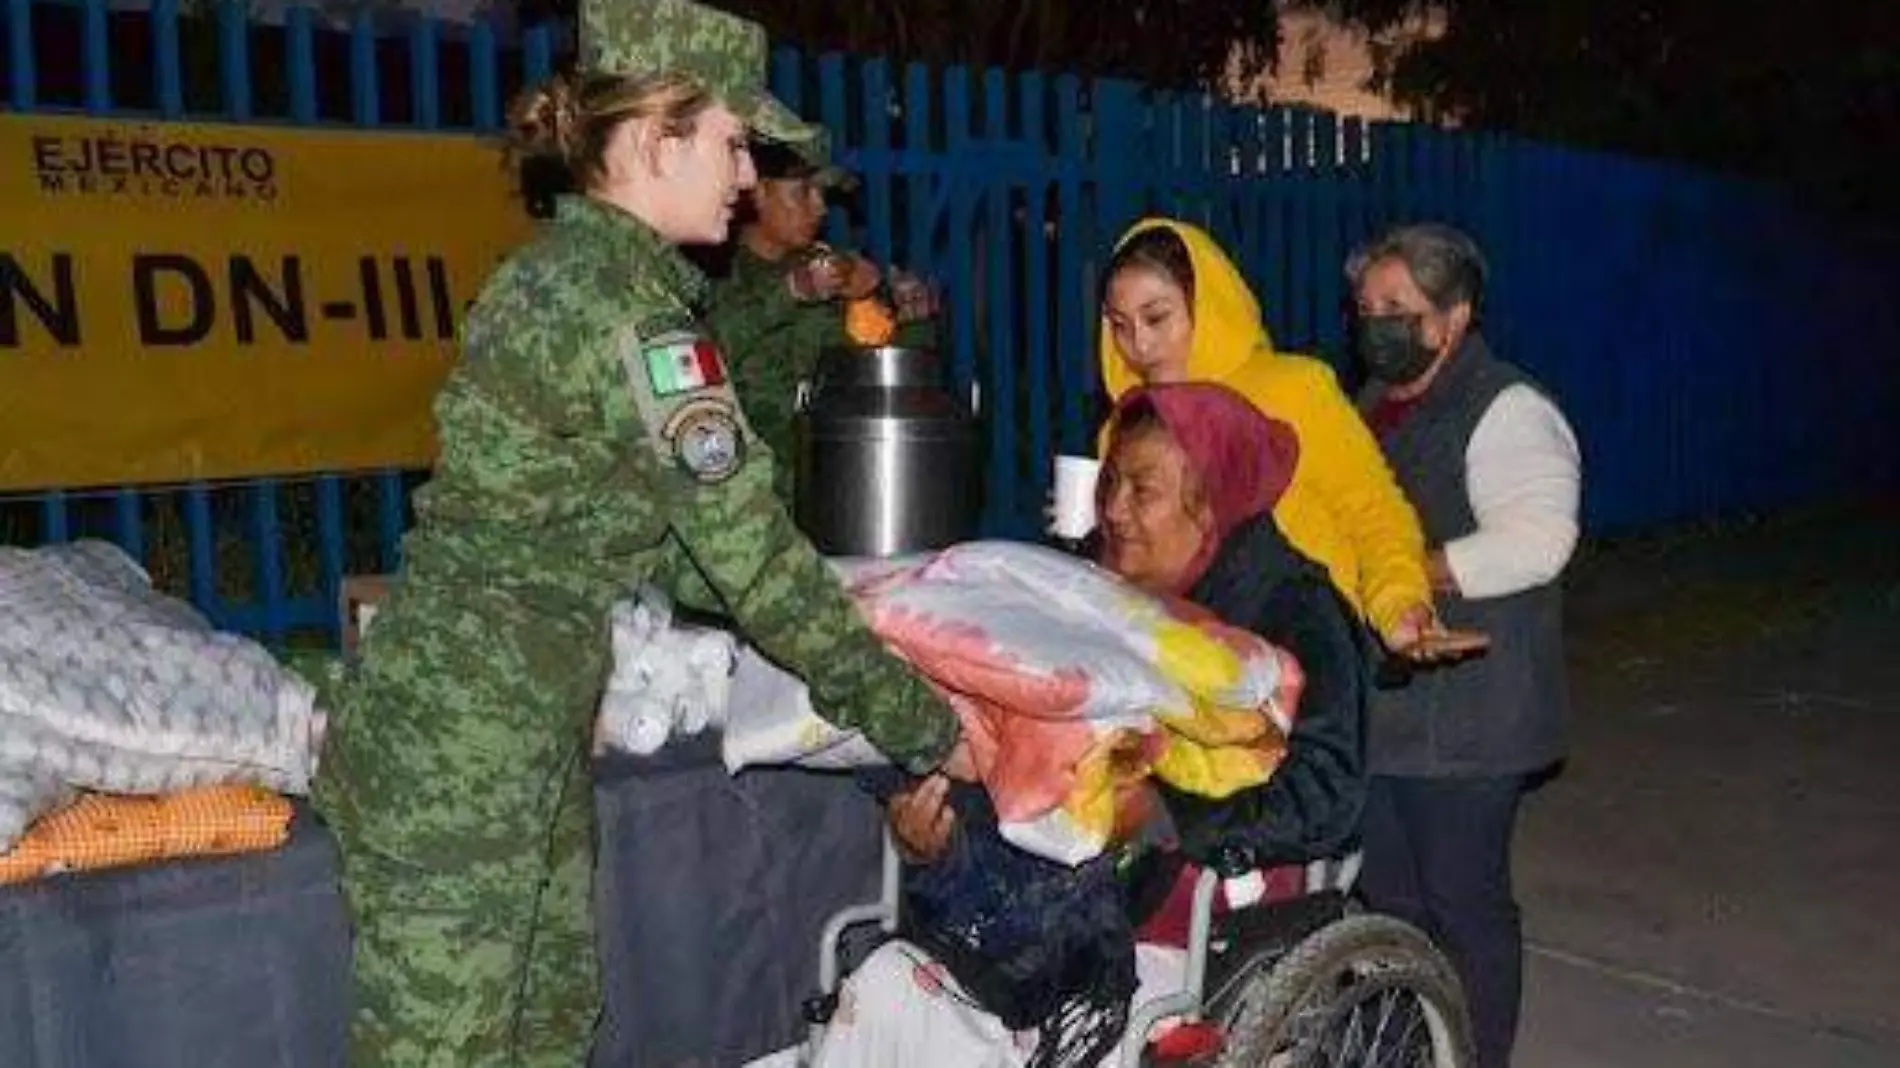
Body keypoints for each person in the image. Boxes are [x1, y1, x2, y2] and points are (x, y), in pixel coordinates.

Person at [309, 1, 966, 1065]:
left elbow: (636, 534)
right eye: (730, 140)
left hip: (507, 721)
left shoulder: (561, 276)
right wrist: (925, 723)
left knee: (549, 1032)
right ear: (659, 137)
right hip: (465, 748)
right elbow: (742, 553)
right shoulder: (634, 318)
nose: (746, 173)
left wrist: (846, 612)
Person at [816, 382, 1369, 1067]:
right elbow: (1023, 779)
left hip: (1195, 931)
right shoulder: (1088, 598)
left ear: (1212, 505)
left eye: (1143, 490)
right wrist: (936, 844)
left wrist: (1165, 812)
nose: (1113, 509)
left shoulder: (1295, 615)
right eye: (1111, 483)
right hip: (1047, 915)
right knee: (885, 988)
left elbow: (1329, 795)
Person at [1347, 222, 1582, 1068]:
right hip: (1392, 706)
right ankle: (1417, 1043)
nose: (1376, 323)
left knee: (1464, 902)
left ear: (1454, 316)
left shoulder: (1509, 407)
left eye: (1398, 308)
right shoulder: (1374, 403)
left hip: (1476, 710)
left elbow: (1538, 539)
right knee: (1391, 899)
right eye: (1367, 307)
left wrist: (1406, 570)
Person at [1095, 217, 1448, 660]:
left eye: (1156, 318)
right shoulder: (1128, 426)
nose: (1139, 346)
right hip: (1190, 660)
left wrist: (1398, 603)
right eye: (1119, 325)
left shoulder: (1294, 389)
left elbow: (1371, 509)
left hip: (1308, 648)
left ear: (1209, 308)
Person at [704, 134, 938, 503]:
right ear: (757, 192)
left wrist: (913, 320)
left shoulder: (834, 272)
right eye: (803, 192)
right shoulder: (710, 271)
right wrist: (790, 293)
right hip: (747, 504)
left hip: (838, 491)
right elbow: (702, 350)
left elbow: (879, 386)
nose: (821, 208)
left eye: (822, 194)